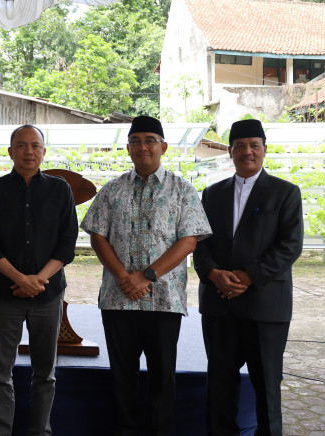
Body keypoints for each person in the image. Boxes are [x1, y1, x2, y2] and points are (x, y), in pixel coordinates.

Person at [80, 116, 211, 435]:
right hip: (117, 299)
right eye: (136, 141)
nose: (143, 146)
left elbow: (189, 239)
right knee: (121, 376)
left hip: (164, 300)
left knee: (162, 377)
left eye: (150, 140)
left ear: (163, 146)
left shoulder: (183, 190)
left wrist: (147, 276)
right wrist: (125, 277)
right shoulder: (111, 190)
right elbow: (98, 236)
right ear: (127, 148)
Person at [193, 119, 303, 436]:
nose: (247, 152)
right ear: (230, 151)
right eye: (240, 146)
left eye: (254, 145)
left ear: (264, 150)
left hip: (265, 308)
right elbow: (199, 244)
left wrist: (247, 276)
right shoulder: (212, 194)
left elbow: (290, 246)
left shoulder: (285, 193)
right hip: (219, 306)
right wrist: (214, 274)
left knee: (267, 387)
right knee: (220, 386)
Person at [0, 124, 78, 436]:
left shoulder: (60, 190)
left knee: (45, 372)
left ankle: (40, 431)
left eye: (35, 145)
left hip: (47, 297)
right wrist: (20, 278)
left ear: (44, 152)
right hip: (5, 294)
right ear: (10, 152)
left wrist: (38, 281)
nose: (29, 151)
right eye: (21, 145)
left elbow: (67, 242)